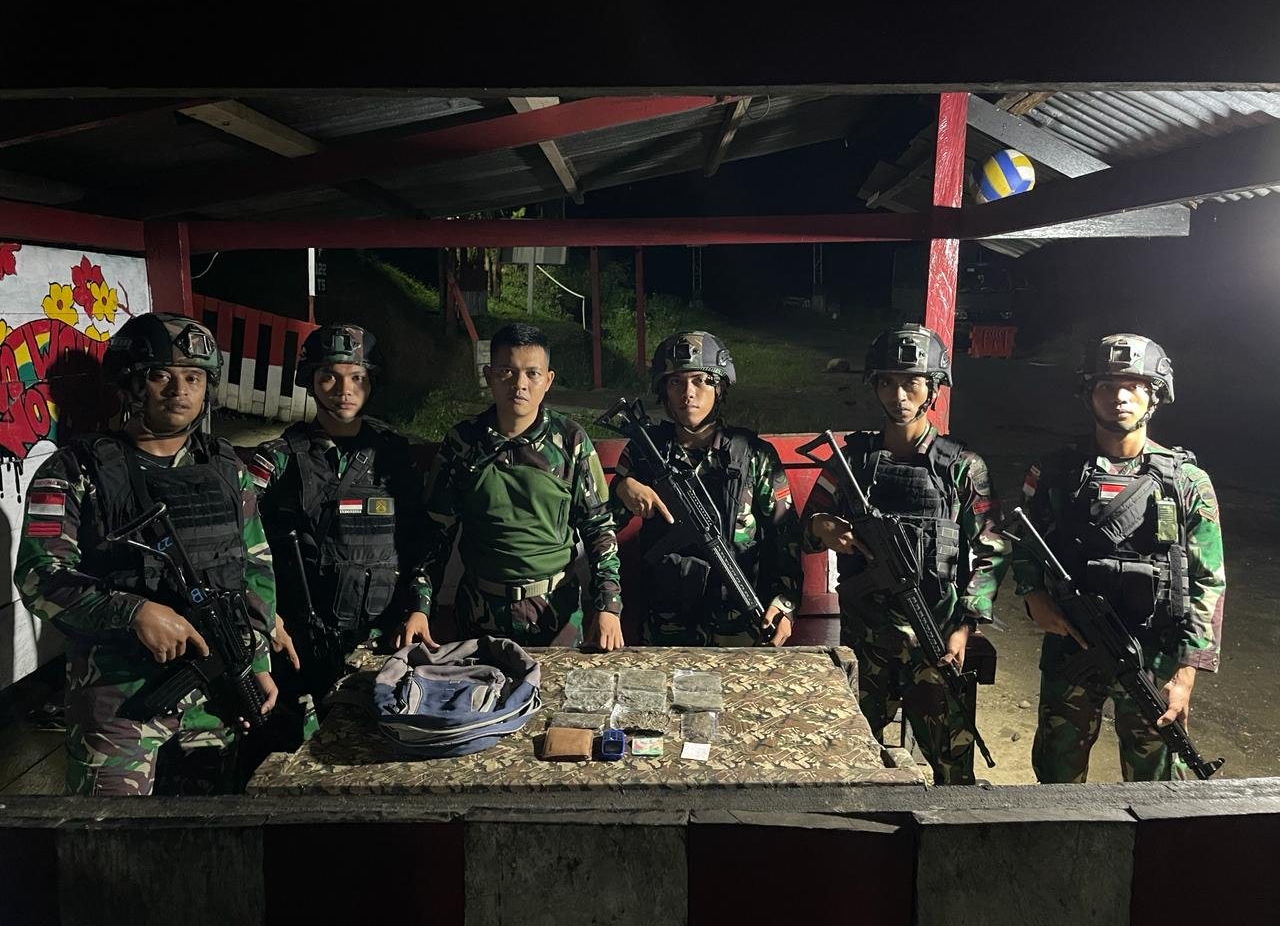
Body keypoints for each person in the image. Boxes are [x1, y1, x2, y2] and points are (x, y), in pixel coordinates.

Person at [14, 313, 277, 795]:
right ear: (132, 383)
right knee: (110, 833)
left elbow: (255, 566)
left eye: (194, 377)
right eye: (161, 375)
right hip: (118, 699)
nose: (180, 390)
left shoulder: (225, 468)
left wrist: (255, 659)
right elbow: (39, 575)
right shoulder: (76, 469)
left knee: (207, 830)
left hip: (213, 698)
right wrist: (134, 612)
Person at [801, 323, 1007, 785]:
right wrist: (821, 526)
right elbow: (806, 526)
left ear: (933, 388)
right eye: (887, 383)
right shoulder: (852, 462)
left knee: (952, 769)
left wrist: (967, 623)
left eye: (912, 382)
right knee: (853, 763)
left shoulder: (962, 467)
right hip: (866, 637)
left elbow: (992, 546)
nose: (899, 395)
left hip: (936, 637)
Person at [1015, 333, 1225, 783]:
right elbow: (1023, 539)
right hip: (1073, 645)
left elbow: (1208, 580)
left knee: (1156, 786)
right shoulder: (1054, 472)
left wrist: (1187, 671)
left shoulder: (1187, 482)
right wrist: (1034, 595)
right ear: (1088, 393)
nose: (1120, 397)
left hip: (1154, 656)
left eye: (1134, 386)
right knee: (1056, 778)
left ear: (1156, 395)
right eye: (1106, 386)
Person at [249, 323, 429, 746]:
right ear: (310, 381)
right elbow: (241, 547)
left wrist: (419, 607)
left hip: (379, 639)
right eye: (329, 376)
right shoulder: (278, 460)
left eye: (357, 377)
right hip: (297, 643)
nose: (344, 390)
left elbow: (419, 540)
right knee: (286, 749)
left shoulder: (394, 455)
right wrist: (267, 617)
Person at [397, 323, 624, 650]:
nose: (520, 385)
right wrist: (420, 606)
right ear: (489, 375)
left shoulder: (570, 440)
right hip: (480, 613)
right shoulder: (463, 443)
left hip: (555, 614)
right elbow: (436, 531)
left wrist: (608, 606)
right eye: (507, 372)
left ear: (548, 380)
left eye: (532, 374)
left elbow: (599, 527)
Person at [608, 330, 801, 646]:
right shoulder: (644, 452)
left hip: (738, 625)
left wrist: (785, 602)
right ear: (663, 391)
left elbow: (786, 536)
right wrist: (622, 489)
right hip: (667, 627)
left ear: (719, 388)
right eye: (676, 382)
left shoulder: (753, 454)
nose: (688, 393)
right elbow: (602, 526)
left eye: (700, 381)